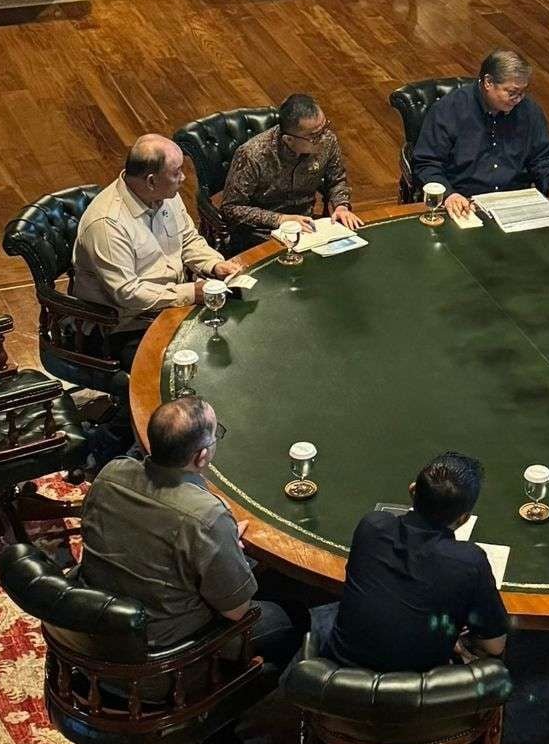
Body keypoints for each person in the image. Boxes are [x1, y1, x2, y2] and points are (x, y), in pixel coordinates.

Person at [76, 396, 306, 670]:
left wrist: (219, 540)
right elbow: (237, 611)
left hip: (99, 623)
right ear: (202, 456)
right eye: (216, 434)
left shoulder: (110, 472)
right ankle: (244, 678)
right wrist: (224, 542)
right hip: (160, 655)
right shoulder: (206, 517)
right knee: (291, 616)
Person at [310, 452, 509, 673]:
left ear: (413, 490)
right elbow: (495, 645)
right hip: (417, 686)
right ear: (463, 518)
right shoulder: (469, 561)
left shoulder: (372, 526)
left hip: (339, 674)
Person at [71, 134, 242, 358]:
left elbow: (188, 239)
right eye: (176, 172)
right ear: (151, 181)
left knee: (238, 330)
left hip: (173, 305)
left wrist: (214, 264)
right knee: (207, 357)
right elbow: (128, 294)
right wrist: (191, 293)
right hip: (127, 325)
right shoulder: (107, 225)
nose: (183, 178)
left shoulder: (166, 194)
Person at [411, 49, 549, 221]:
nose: (518, 99)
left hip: (515, 205)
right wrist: (449, 194)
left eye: (522, 92)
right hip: (464, 204)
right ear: (488, 82)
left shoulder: (529, 111)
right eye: (512, 92)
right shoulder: (448, 110)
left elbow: (543, 158)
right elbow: (427, 163)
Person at [218, 93, 363, 250]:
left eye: (324, 127)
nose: (323, 138)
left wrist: (341, 206)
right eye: (314, 136)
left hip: (307, 226)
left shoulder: (328, 140)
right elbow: (231, 208)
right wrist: (281, 219)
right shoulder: (253, 154)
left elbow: (336, 180)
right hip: (260, 232)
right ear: (288, 139)